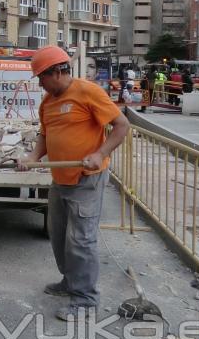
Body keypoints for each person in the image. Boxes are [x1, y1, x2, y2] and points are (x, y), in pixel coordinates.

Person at [18, 46, 130, 322]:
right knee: (58, 236)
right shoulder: (48, 102)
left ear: (57, 72)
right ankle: (70, 281)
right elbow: (46, 134)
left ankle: (85, 300)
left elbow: (121, 125)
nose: (40, 83)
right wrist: (32, 157)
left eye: (41, 78)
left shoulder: (88, 91)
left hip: (86, 179)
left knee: (81, 240)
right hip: (61, 179)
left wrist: (100, 153)